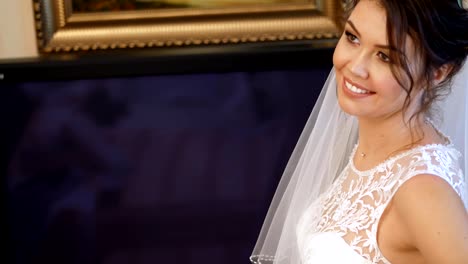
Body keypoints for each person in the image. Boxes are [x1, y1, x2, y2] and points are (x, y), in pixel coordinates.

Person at [250, 0, 468, 263]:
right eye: (353, 37)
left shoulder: (422, 190)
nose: (354, 67)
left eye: (385, 56)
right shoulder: (372, 150)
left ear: (439, 73)